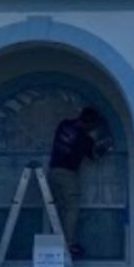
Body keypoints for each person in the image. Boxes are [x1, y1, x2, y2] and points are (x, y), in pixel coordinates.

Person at [47, 105, 110, 258]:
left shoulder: (64, 125)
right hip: (68, 174)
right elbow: (94, 156)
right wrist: (104, 147)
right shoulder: (84, 138)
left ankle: (55, 238)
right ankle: (68, 243)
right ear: (90, 123)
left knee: (59, 207)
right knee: (72, 207)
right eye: (93, 125)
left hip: (52, 172)